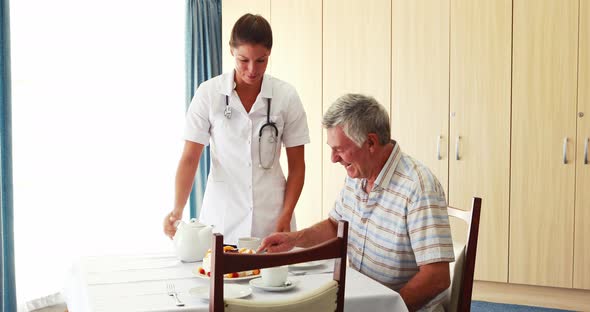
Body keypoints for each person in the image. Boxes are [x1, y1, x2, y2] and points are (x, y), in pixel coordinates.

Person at [259, 94, 454, 312]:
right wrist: (293, 239)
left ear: (370, 142)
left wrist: (387, 309)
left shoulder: (418, 187)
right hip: (364, 298)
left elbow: (436, 277)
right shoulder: (358, 175)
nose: (333, 158)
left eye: (339, 149)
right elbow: (336, 226)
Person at [163, 13, 309, 245]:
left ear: (269, 53)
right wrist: (177, 209)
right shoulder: (209, 93)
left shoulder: (286, 97)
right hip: (222, 221)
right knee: (221, 279)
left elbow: (297, 166)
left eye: (261, 60)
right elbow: (190, 157)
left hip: (271, 221)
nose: (252, 69)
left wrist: (286, 214)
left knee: (274, 281)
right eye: (244, 60)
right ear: (232, 51)